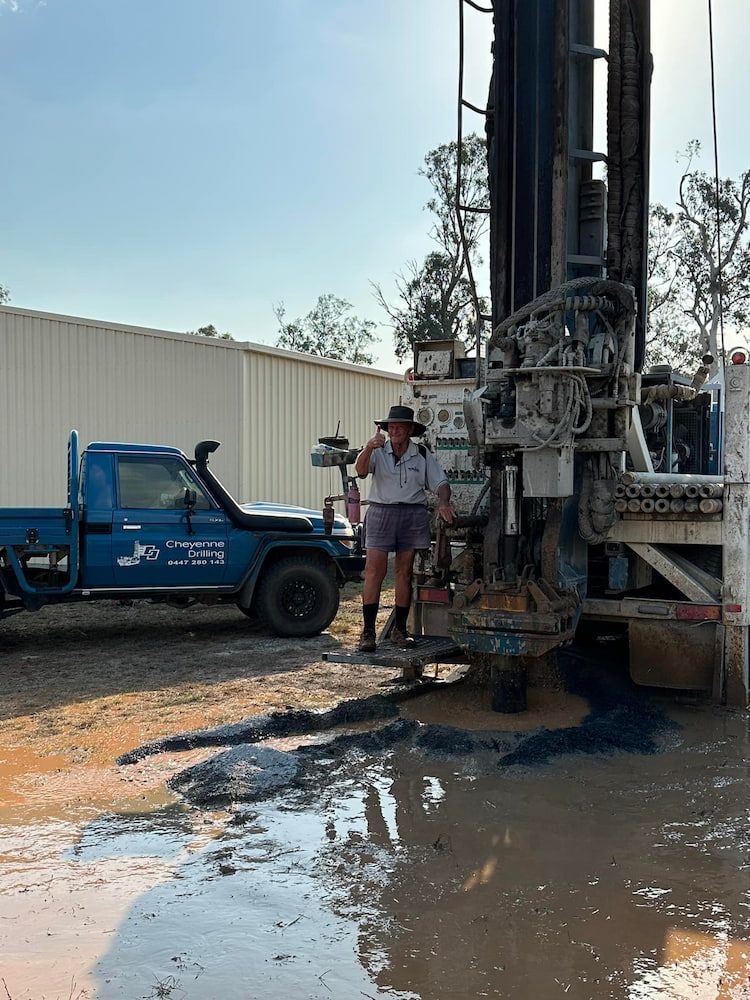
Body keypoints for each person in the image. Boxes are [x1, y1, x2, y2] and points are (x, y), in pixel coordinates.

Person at [355, 404, 455, 652]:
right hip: (381, 512)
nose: (395, 430)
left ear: (410, 429)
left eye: (400, 426)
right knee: (373, 571)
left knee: (405, 573)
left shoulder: (420, 454)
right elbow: (360, 471)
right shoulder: (377, 450)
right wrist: (368, 446)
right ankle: (368, 632)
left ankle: (400, 630)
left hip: (411, 514)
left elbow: (441, 482)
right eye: (391, 426)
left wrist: (444, 502)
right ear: (386, 429)